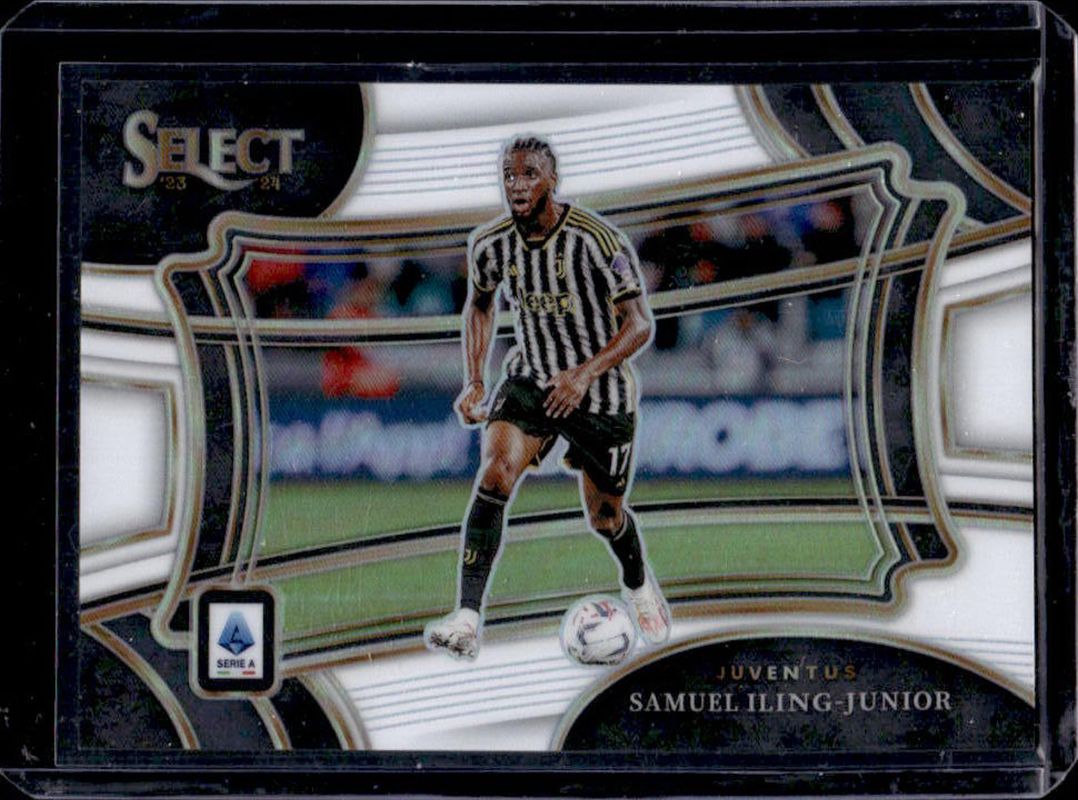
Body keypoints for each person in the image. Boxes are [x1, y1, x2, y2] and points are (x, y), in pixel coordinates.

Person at [424, 135, 671, 660]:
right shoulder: (489, 243)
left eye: (529, 174)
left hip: (600, 393)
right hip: (531, 380)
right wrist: (475, 379)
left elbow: (639, 324)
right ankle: (466, 618)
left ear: (552, 181)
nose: (517, 185)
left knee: (605, 518)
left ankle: (637, 585)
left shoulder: (599, 241)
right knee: (494, 475)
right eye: (509, 175)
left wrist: (583, 375)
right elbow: (480, 304)